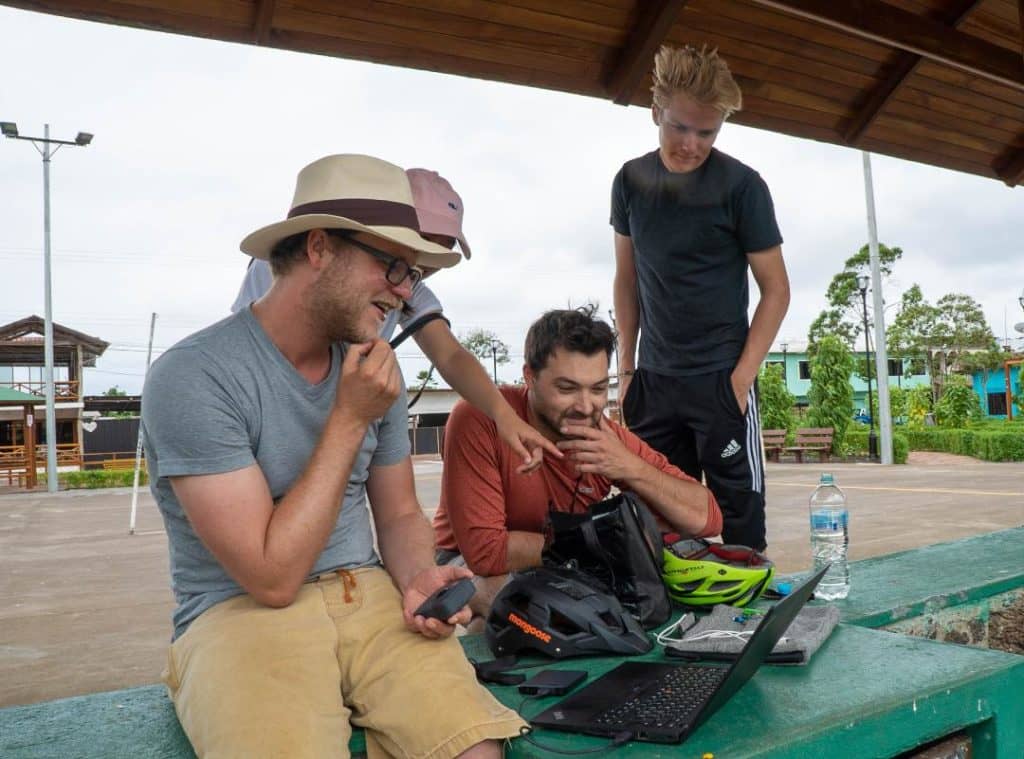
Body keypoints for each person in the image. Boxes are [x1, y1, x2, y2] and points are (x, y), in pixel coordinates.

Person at [141, 154, 525, 759]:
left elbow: (398, 515)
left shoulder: (372, 363)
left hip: (367, 594)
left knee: (474, 749)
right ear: (319, 248)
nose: (406, 290)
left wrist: (418, 575)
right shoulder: (195, 377)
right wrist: (348, 417)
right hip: (237, 613)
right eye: (392, 264)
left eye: (414, 271)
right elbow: (269, 577)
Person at [233, 168, 558, 474]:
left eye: (445, 247)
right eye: (428, 240)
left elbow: (450, 355)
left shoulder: (410, 290)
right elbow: (251, 341)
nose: (431, 260)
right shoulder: (280, 270)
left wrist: (504, 416)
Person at [612, 45, 791, 551]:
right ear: (655, 113)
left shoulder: (743, 187)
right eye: (679, 127)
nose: (690, 144)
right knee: (658, 526)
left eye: (706, 132)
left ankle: (745, 625)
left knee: (738, 527)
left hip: (720, 382)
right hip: (653, 382)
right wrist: (627, 371)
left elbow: (776, 290)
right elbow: (626, 280)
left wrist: (740, 381)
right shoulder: (629, 182)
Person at [433, 307, 722, 614]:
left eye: (598, 389)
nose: (585, 406)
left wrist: (630, 467)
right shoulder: (482, 417)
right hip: (465, 566)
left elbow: (707, 519)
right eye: (567, 388)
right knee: (517, 598)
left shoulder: (606, 436)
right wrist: (604, 542)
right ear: (529, 376)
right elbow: (486, 553)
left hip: (566, 561)